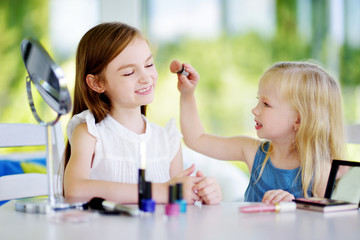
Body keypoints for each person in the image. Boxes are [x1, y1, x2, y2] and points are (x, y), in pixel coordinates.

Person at [63, 22, 222, 205]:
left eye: (149, 64)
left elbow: (178, 204)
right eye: (129, 72)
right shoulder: (89, 133)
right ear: (97, 83)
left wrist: (203, 193)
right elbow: (75, 190)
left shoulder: (167, 140)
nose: (146, 77)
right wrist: (160, 191)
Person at [176, 61, 346, 203]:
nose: (255, 110)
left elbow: (328, 227)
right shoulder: (252, 151)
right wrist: (187, 94)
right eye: (259, 101)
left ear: (298, 120)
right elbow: (196, 139)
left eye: (266, 104)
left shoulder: (322, 170)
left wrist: (295, 207)